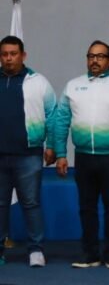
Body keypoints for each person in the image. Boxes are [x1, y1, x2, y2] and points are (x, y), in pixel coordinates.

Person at [54, 40, 109, 269]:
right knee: (86, 208)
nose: (95, 60)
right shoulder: (73, 86)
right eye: (91, 56)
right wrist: (61, 154)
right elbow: (61, 121)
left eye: (100, 56)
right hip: (83, 157)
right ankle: (90, 254)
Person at [0, 36, 56, 267]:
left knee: (31, 203)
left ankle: (36, 250)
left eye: (13, 53)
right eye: (4, 54)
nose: (9, 58)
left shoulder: (38, 82)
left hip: (29, 154)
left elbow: (52, 115)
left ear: (23, 55)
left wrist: (52, 145)